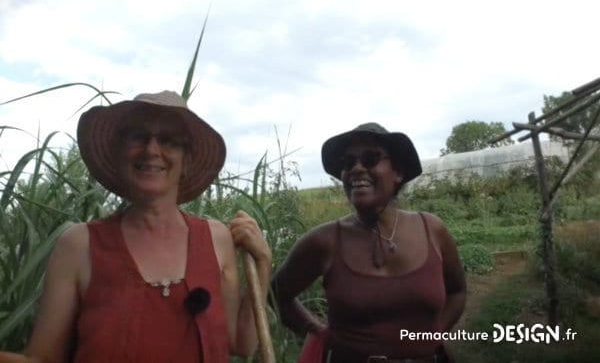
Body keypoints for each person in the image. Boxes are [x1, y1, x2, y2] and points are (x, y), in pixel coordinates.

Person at [0, 91, 272, 363]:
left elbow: (240, 343)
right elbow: (43, 359)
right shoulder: (79, 245)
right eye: (138, 137)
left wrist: (263, 263)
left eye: (167, 140)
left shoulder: (217, 239)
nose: (152, 149)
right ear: (120, 154)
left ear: (186, 160)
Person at [270, 123, 466, 363]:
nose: (356, 169)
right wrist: (317, 332)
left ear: (398, 172)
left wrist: (431, 337)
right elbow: (276, 294)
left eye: (371, 158)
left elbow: (457, 291)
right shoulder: (324, 241)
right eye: (348, 162)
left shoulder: (432, 230)